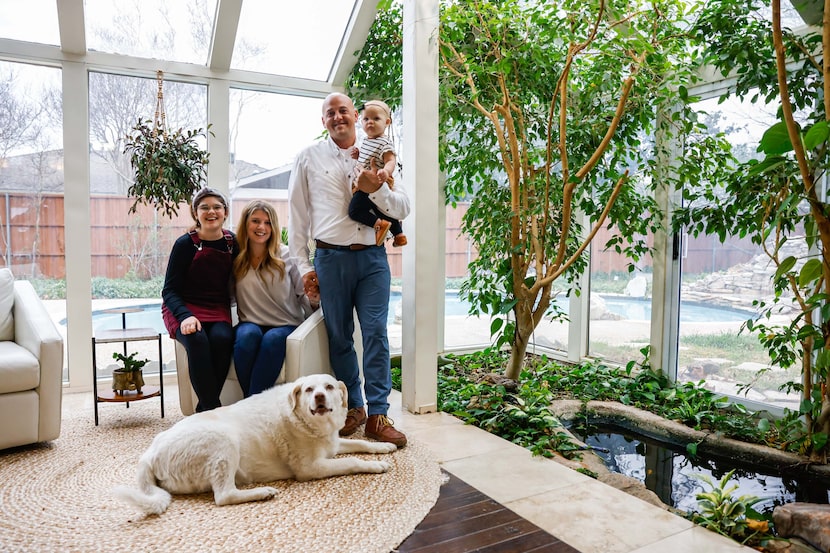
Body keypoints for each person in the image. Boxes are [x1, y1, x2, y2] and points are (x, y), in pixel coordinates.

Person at [288, 92, 411, 447]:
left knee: (375, 332)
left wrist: (375, 190)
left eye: (344, 111)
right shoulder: (307, 158)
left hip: (373, 259)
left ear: (356, 115)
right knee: (340, 336)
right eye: (331, 113)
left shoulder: (383, 154)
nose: (338, 117)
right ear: (323, 121)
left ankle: (378, 415)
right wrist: (303, 266)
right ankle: (353, 407)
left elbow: (402, 207)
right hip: (330, 259)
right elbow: (298, 217)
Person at [161, 187, 238, 412]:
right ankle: (213, 409)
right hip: (183, 307)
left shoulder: (232, 242)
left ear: (225, 212)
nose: (211, 212)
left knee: (224, 339)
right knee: (196, 340)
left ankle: (204, 408)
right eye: (204, 207)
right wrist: (185, 316)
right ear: (196, 213)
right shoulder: (185, 244)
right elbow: (169, 290)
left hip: (216, 307)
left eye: (217, 207)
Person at [232, 200, 315, 397]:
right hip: (249, 322)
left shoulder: (287, 255)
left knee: (272, 340)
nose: (262, 227)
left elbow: (303, 294)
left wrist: (314, 301)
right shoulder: (235, 257)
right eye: (256, 221)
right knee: (246, 337)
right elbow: (227, 297)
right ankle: (253, 404)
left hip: (285, 323)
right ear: (245, 224)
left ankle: (250, 406)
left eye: (268, 222)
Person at [348, 99, 407, 247]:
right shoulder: (367, 141)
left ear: (387, 122)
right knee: (379, 208)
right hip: (368, 181)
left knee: (354, 211)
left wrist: (386, 172)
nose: (370, 122)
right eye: (366, 119)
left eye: (376, 119)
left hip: (375, 181)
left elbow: (390, 160)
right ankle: (399, 234)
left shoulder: (384, 142)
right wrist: (358, 155)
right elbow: (369, 157)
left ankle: (379, 225)